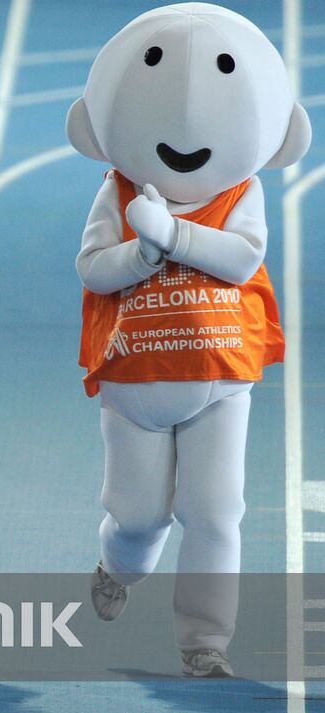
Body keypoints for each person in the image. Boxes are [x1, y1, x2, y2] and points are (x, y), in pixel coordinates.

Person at [69, 4, 310, 677]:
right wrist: (140, 256)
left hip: (219, 375)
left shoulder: (240, 191)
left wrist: (171, 235)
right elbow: (92, 266)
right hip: (135, 375)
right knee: (139, 513)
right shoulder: (116, 192)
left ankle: (205, 641)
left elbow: (242, 258)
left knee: (214, 509)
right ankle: (118, 563)